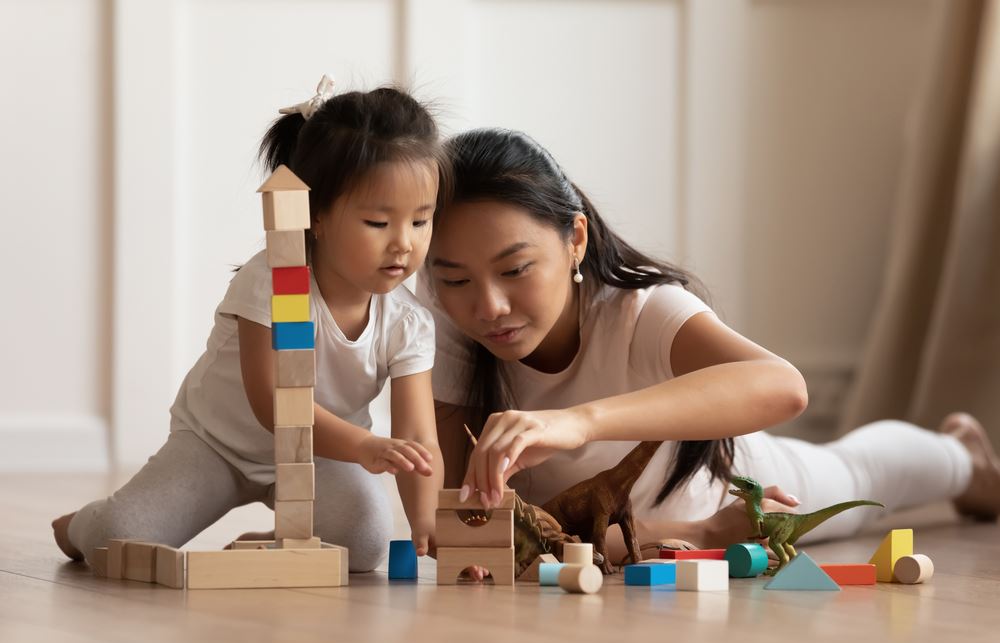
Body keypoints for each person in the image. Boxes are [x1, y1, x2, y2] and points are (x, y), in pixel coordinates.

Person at [418, 127, 1000, 565]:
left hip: (746, 481)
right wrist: (704, 536)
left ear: (575, 239)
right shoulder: (448, 340)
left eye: (515, 269)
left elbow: (783, 386)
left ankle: (965, 458)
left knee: (858, 472)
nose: (487, 306)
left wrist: (578, 422)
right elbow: (474, 528)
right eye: (455, 280)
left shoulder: (641, 310)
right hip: (673, 530)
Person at [52, 79, 447, 570]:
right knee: (118, 539)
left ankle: (276, 537)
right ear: (316, 217)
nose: (403, 244)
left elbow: (419, 439)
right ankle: (81, 523)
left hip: (323, 455)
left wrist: (426, 522)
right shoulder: (277, 281)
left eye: (420, 221)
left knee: (363, 545)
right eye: (377, 223)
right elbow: (275, 403)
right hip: (219, 446)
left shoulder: (407, 322)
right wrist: (364, 444)